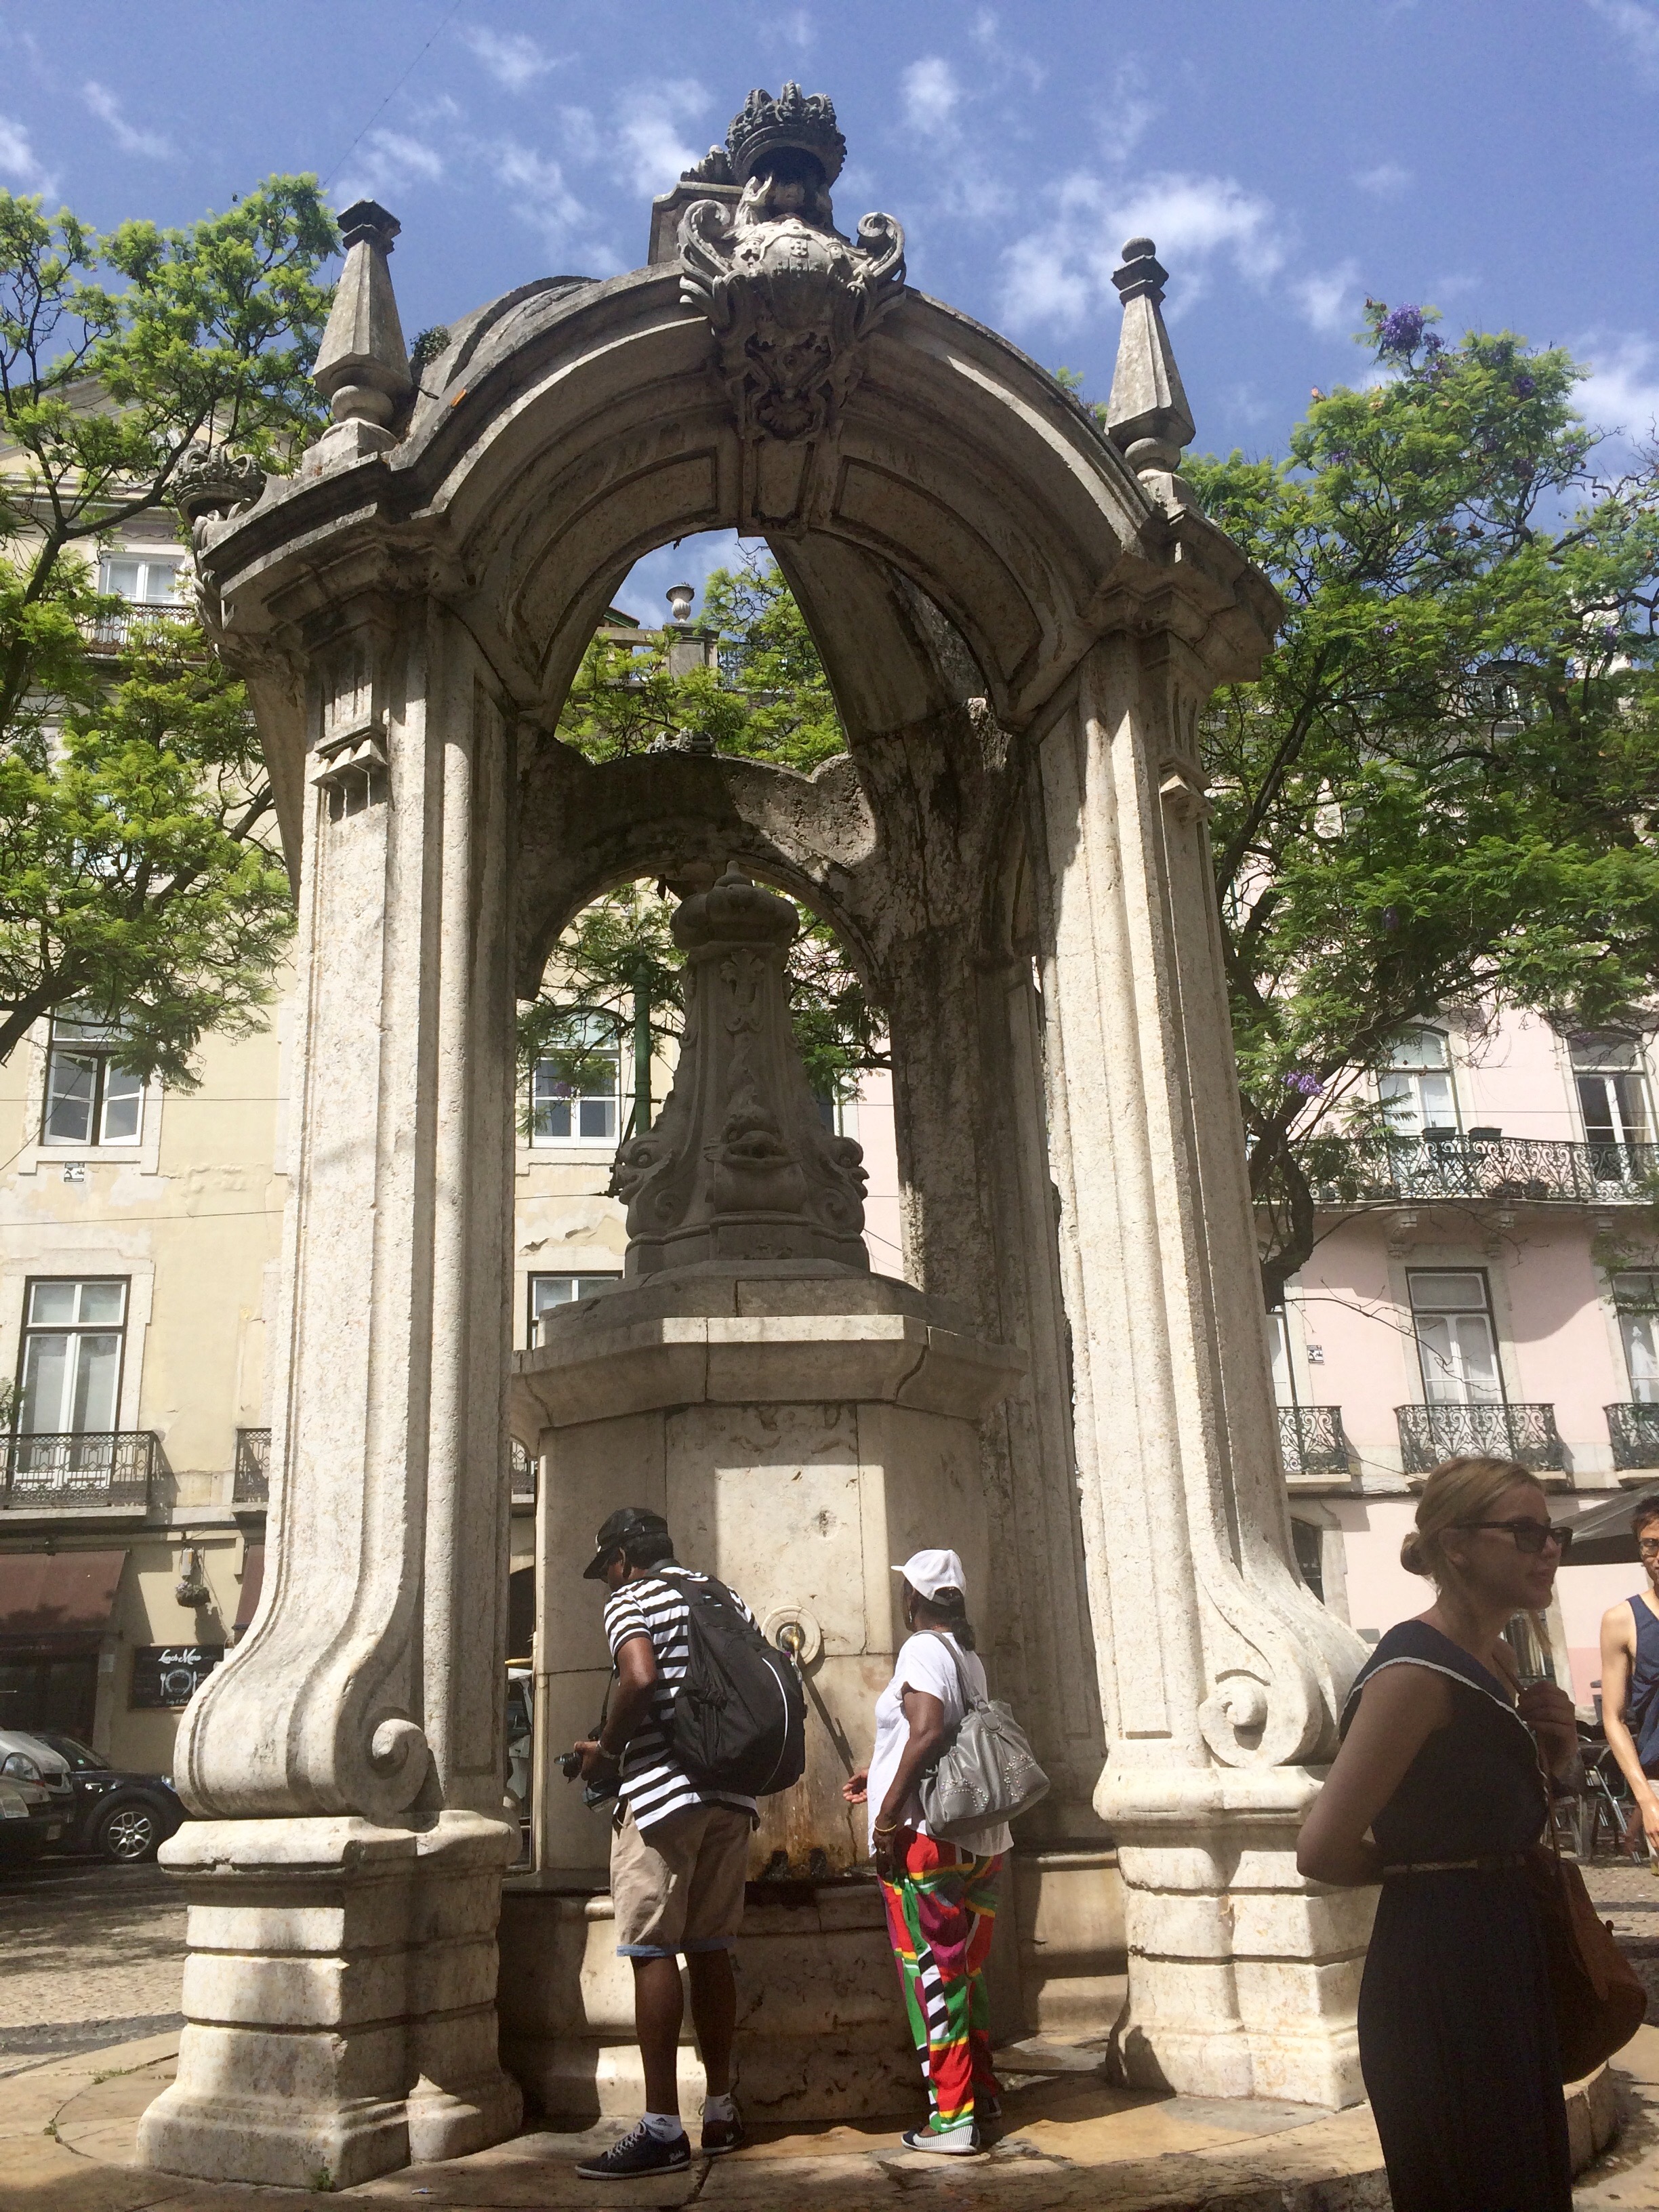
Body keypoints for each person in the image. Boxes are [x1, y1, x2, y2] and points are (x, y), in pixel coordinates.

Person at [1296, 1456, 1582, 2212]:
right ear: (1457, 1546)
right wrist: (1428, 1869)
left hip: (1503, 1955)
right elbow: (1321, 1849)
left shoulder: (1496, 1658)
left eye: (1553, 1533)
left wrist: (1556, 1758)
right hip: (1442, 1973)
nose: (1548, 1549)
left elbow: (1491, 1815)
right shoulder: (1413, 1674)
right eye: (1526, 1533)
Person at [568, 1507, 756, 2181]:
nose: (606, 1581)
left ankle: (661, 2128)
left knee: (651, 1950)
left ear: (623, 1559)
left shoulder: (634, 1598)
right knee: (711, 1948)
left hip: (663, 1798)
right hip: (733, 1796)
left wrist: (606, 1751)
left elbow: (641, 1677)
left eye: (606, 1569)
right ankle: (723, 2110)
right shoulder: (724, 1597)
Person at [843, 1547, 1010, 2157]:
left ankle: (952, 2118)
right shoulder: (968, 1656)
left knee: (934, 1976)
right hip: (982, 1844)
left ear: (913, 1597)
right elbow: (947, 1741)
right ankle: (982, 2093)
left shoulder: (920, 1649)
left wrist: (887, 1818)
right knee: (966, 1973)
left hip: (927, 1843)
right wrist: (881, 1772)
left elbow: (928, 1730)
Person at [1597, 1494, 1659, 1856]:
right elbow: (1614, 1718)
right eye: (1650, 1545)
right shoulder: (1622, 1620)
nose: (1658, 1557)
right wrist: (1645, 1798)